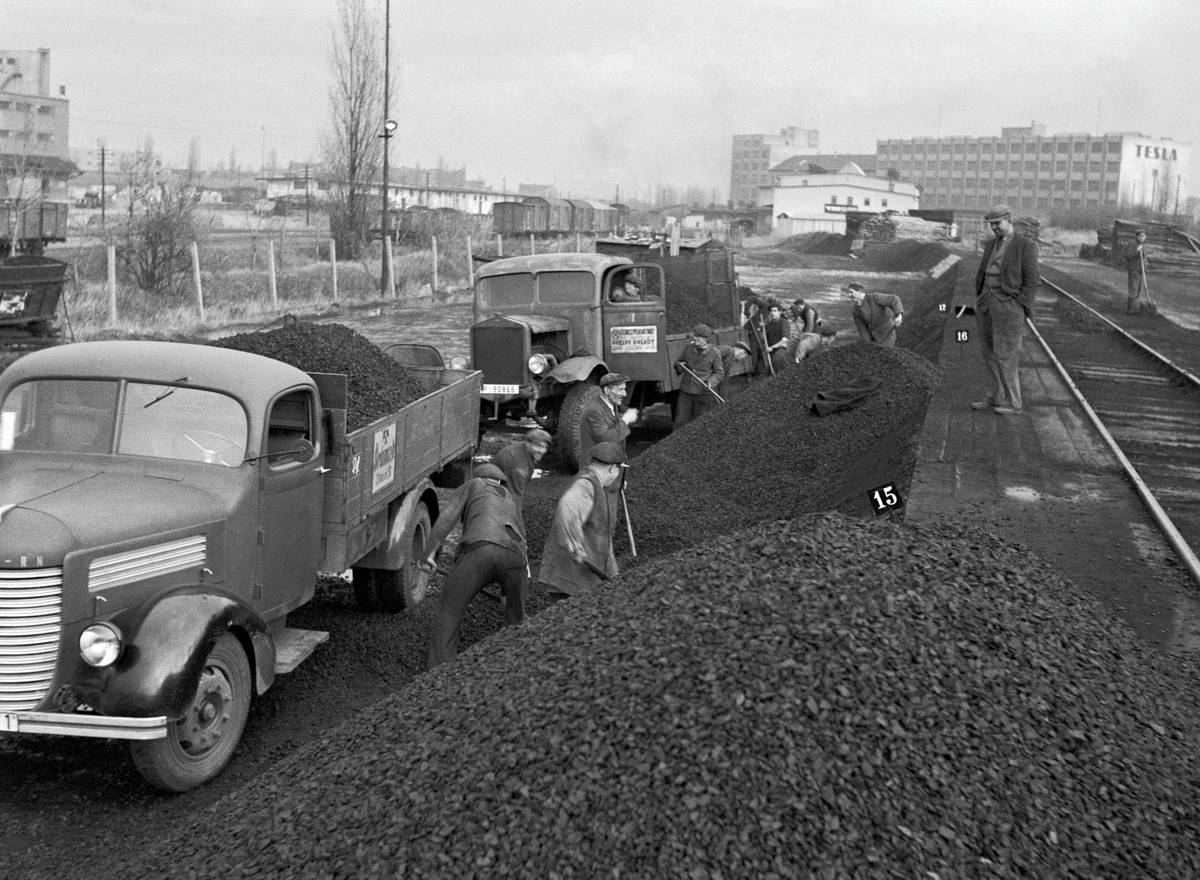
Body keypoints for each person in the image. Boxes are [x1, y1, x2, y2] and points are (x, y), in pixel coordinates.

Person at [419, 463, 528, 667]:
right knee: (517, 619)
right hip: (516, 559)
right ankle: (514, 667)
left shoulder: (474, 484)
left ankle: (440, 671)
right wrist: (510, 592)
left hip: (480, 550)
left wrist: (428, 554)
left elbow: (447, 518)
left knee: (449, 610)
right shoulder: (510, 497)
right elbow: (523, 538)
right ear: (499, 482)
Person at [971, 204, 1040, 416]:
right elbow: (983, 270)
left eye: (997, 223)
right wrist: (980, 292)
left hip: (1009, 306)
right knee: (989, 353)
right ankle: (996, 396)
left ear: (1008, 220)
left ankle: (1014, 403)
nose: (994, 228)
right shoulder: (991, 244)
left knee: (1006, 355)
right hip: (986, 303)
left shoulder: (1025, 245)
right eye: (991, 224)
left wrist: (1020, 304)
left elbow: (1032, 280)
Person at [536, 441, 627, 602]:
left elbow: (603, 537)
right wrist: (575, 546)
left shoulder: (598, 487)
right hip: (569, 579)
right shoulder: (585, 485)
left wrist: (615, 576)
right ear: (613, 468)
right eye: (618, 471)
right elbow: (567, 507)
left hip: (583, 581)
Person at [490, 427, 551, 531]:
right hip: (488, 499)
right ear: (528, 443)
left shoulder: (523, 451)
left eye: (544, 447)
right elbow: (514, 499)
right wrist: (520, 532)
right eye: (538, 446)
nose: (542, 451)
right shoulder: (518, 467)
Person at [673, 323, 725, 428]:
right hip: (686, 392)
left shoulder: (714, 352)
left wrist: (710, 382)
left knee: (699, 424)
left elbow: (719, 373)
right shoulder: (688, 348)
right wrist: (678, 365)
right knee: (680, 423)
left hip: (703, 394)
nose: (694, 338)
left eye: (697, 336)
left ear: (705, 338)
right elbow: (680, 361)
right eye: (694, 336)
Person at [580, 372, 638, 465]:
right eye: (620, 389)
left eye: (625, 389)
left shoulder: (612, 404)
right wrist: (625, 420)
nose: (625, 394)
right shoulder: (593, 411)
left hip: (609, 468)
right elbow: (606, 440)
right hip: (596, 471)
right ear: (607, 390)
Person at [845, 282, 904, 347]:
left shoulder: (875, 297)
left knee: (885, 352)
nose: (849, 295)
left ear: (859, 291)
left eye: (851, 292)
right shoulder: (855, 311)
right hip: (874, 336)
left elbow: (894, 299)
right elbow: (863, 331)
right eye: (848, 292)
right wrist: (867, 344)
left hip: (888, 332)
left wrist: (899, 316)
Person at [1122, 229, 1148, 315]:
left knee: (1138, 290)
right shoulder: (1132, 244)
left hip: (1140, 270)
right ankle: (1130, 310)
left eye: (1143, 236)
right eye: (1140, 236)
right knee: (1134, 288)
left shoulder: (1142, 245)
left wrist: (1146, 266)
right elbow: (1128, 256)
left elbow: (1143, 258)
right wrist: (1137, 250)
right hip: (1134, 269)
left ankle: (1134, 308)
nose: (1142, 237)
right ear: (1137, 236)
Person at [762, 303, 793, 374]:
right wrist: (762, 328)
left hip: (781, 352)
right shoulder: (769, 324)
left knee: (781, 373)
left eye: (775, 311)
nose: (772, 313)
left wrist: (773, 347)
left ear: (779, 312)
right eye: (771, 311)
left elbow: (785, 340)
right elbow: (764, 338)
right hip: (771, 353)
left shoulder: (783, 322)